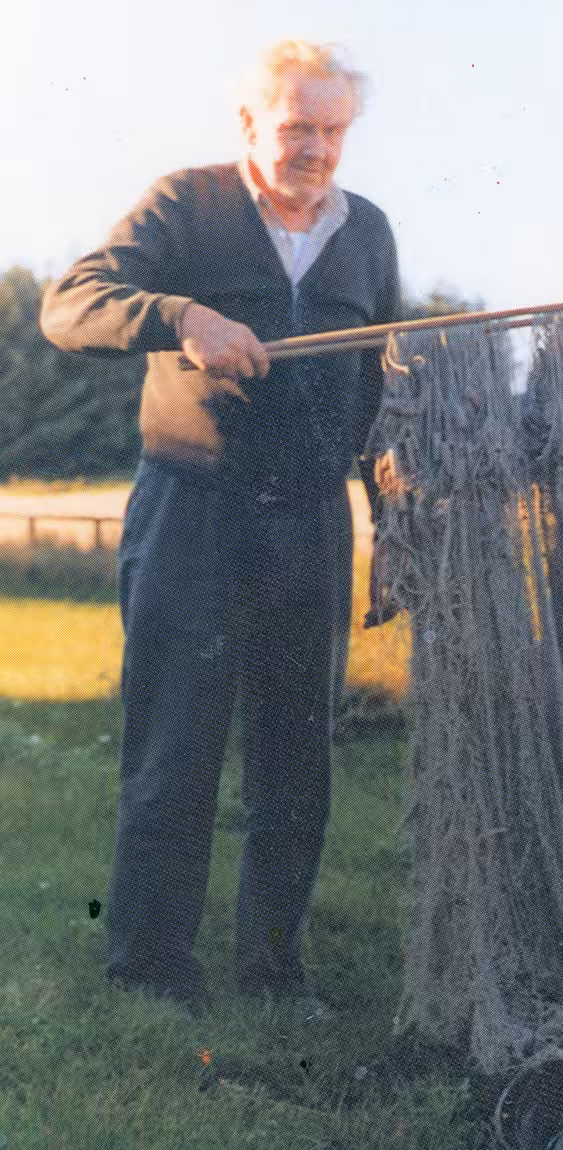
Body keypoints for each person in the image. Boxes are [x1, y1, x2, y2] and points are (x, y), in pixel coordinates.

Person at [41, 39, 400, 1016]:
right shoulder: (185, 203)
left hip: (309, 526)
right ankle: (150, 969)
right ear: (250, 126)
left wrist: (394, 506)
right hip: (194, 511)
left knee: (299, 758)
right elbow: (68, 304)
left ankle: (275, 972)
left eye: (332, 131)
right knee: (175, 748)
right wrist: (181, 315)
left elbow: (381, 389)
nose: (315, 149)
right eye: (296, 128)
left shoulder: (366, 233)